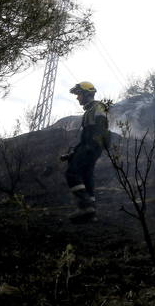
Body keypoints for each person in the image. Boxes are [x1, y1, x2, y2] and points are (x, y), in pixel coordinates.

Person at [61, 81, 110, 223]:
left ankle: (85, 205)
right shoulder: (89, 111)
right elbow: (85, 138)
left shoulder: (98, 107)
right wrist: (73, 153)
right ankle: (90, 211)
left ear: (87, 94)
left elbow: (101, 127)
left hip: (92, 145)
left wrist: (91, 146)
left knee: (72, 173)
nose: (77, 98)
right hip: (91, 145)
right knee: (86, 176)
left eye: (79, 94)